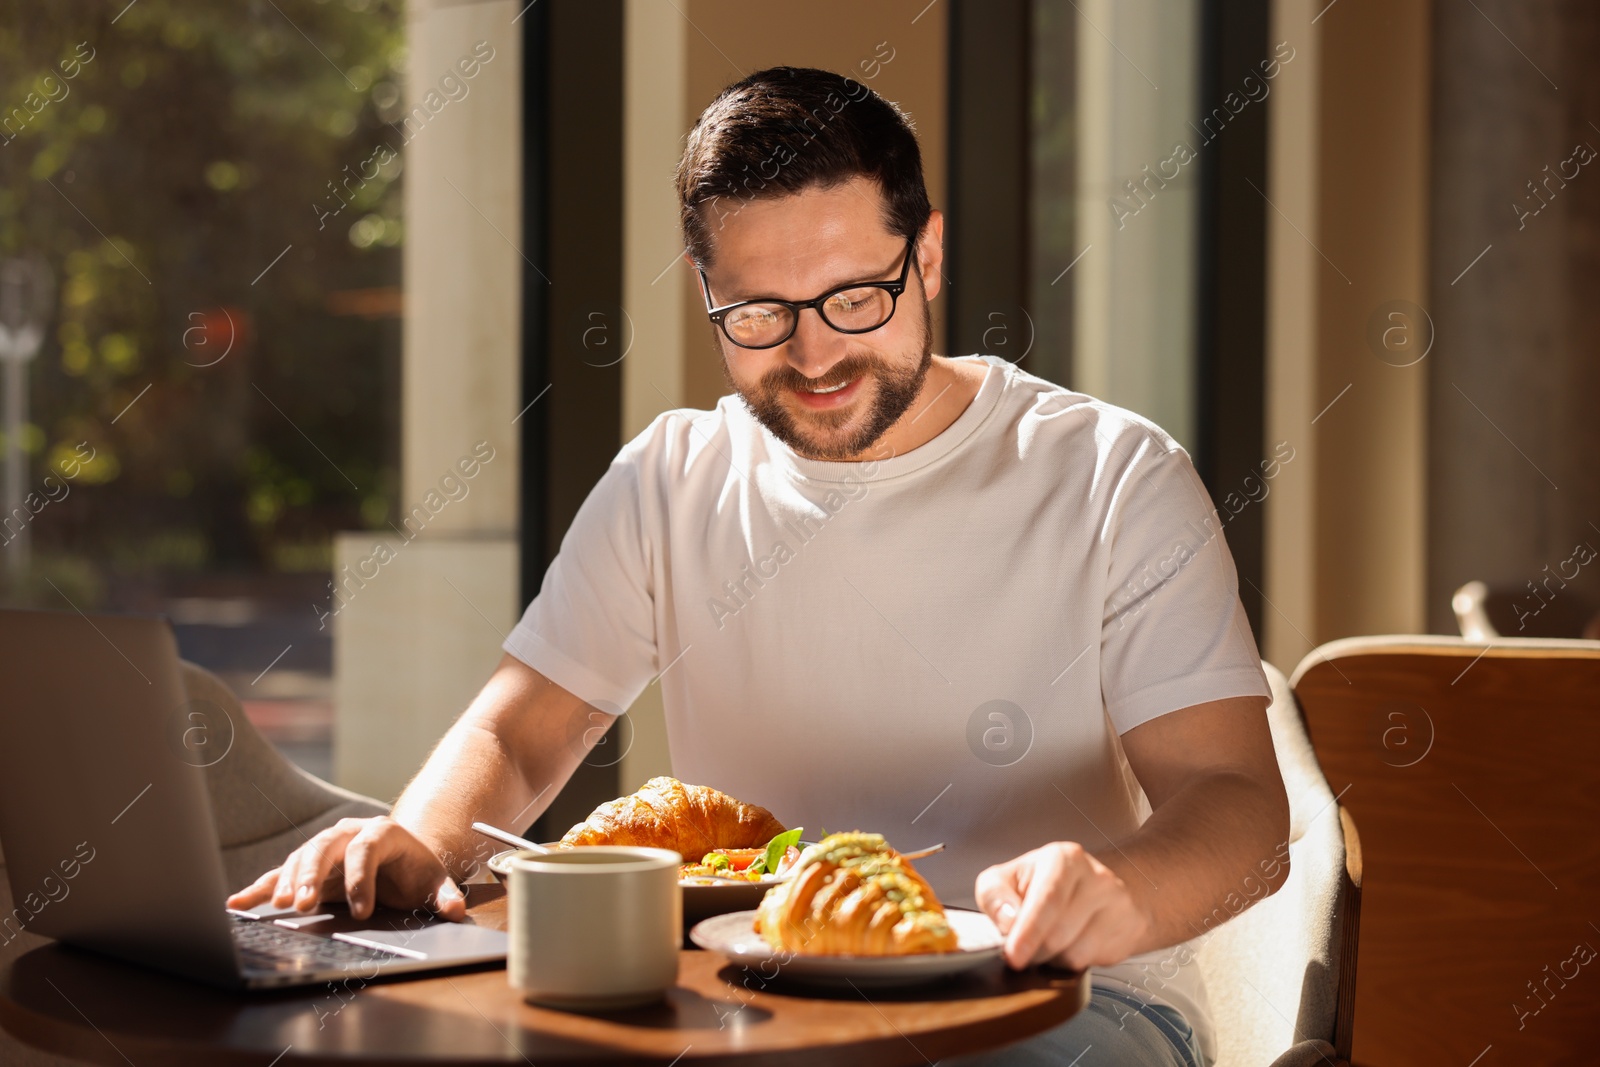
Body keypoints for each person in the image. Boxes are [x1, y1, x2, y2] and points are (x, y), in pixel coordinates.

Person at [229, 66, 1289, 1066]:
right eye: (759, 315)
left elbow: (1236, 802)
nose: (815, 355)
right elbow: (522, 725)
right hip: (750, 1005)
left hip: (1066, 999)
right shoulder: (670, 475)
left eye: (852, 298)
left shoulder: (1112, 473)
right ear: (704, 288)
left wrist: (1115, 891)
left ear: (925, 257)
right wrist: (418, 835)